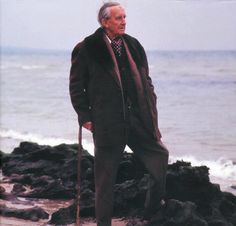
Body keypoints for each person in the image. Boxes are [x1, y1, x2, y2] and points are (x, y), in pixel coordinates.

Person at [69, 2, 169, 226]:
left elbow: (146, 80)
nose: (124, 21)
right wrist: (85, 116)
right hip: (107, 123)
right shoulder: (87, 48)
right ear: (105, 22)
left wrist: (151, 106)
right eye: (118, 18)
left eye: (124, 17)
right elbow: (76, 87)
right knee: (105, 181)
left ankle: (151, 209)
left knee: (160, 157)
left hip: (138, 120)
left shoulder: (133, 45)